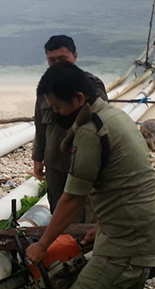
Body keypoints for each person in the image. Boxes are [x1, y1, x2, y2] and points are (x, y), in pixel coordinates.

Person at [26, 62, 155, 289]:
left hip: (126, 241)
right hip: (146, 228)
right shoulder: (116, 116)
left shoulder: (92, 132)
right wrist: (101, 223)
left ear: (79, 99)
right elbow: (122, 183)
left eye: (58, 107)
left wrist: (42, 245)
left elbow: (72, 199)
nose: (54, 114)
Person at [32, 35, 108, 221]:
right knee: (57, 210)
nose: (57, 64)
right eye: (52, 60)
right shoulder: (46, 89)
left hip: (83, 163)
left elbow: (103, 123)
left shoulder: (91, 86)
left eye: (62, 59)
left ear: (75, 56)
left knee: (86, 212)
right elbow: (41, 126)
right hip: (54, 163)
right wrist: (37, 158)